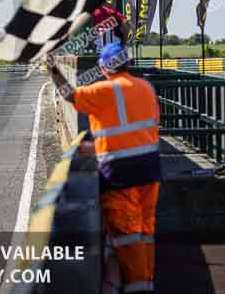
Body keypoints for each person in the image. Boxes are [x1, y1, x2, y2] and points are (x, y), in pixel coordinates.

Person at [48, 42, 160, 293]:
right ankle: (147, 279)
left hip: (120, 173)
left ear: (105, 67)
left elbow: (69, 95)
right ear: (128, 64)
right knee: (144, 229)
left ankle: (138, 286)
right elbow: (143, 130)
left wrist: (53, 70)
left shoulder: (102, 91)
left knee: (127, 233)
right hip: (150, 169)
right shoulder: (146, 88)